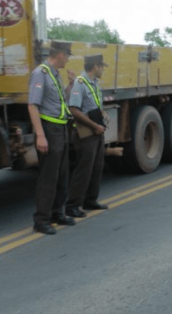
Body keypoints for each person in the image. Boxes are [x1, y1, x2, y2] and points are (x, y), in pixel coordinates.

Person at [28, 41, 77, 235]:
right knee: (48, 177)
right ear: (61, 55)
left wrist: (72, 84)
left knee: (62, 174)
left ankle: (57, 213)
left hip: (61, 128)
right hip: (48, 129)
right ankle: (41, 220)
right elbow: (32, 105)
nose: (68, 59)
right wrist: (41, 135)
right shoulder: (40, 73)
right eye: (68, 55)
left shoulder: (55, 74)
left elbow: (61, 101)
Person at [65, 54, 109, 218]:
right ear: (95, 66)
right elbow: (74, 110)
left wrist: (103, 115)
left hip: (97, 131)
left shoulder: (95, 84)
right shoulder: (80, 84)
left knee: (97, 168)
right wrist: (94, 125)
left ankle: (90, 200)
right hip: (86, 133)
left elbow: (93, 106)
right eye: (102, 66)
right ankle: (72, 205)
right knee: (83, 170)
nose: (103, 70)